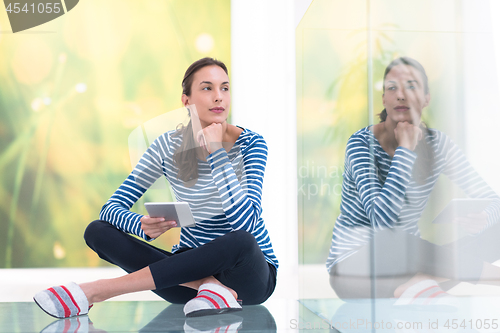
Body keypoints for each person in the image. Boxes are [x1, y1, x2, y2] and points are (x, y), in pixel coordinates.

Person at [34, 57, 278, 319]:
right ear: (187, 101)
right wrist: (140, 224)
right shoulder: (166, 146)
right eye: (207, 88)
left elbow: (246, 222)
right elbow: (110, 209)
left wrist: (217, 151)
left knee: (241, 241)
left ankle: (93, 292)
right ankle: (209, 287)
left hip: (247, 277)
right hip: (185, 280)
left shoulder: (251, 144)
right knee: (97, 231)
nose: (219, 97)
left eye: (225, 88)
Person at [326, 57, 500, 304]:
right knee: (396, 239)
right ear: (384, 98)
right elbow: (382, 223)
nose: (400, 95)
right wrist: (405, 151)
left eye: (411, 86)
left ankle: (417, 285)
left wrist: (484, 218)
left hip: (409, 265)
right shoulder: (361, 144)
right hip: (355, 271)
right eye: (392, 88)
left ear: (426, 98)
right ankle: (487, 278)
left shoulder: (438, 144)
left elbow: (493, 200)